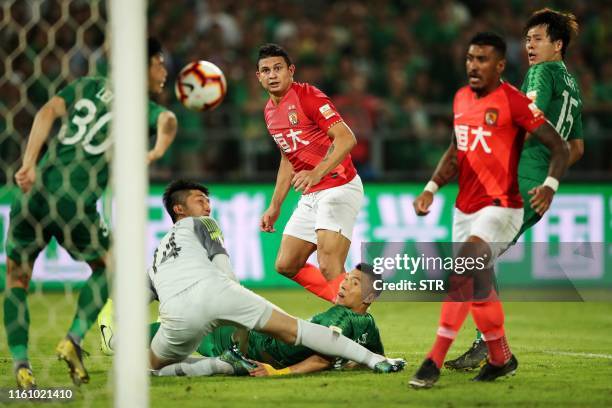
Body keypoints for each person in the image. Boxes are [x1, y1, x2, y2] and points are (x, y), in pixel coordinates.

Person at [4, 37, 177, 390]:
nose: (165, 72)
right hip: (74, 200)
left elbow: (46, 112)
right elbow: (169, 121)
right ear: (142, 64)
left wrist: (28, 164)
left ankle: (21, 364)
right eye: (160, 63)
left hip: (32, 193)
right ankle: (73, 339)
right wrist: (157, 151)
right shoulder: (139, 106)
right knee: (111, 268)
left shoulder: (86, 87)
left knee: (16, 280)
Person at [409, 32, 568, 388]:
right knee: (480, 286)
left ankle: (432, 361)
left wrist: (550, 185)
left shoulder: (515, 102)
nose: (473, 66)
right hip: (465, 208)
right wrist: (431, 188)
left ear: (499, 65)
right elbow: (455, 151)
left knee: (461, 272)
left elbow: (559, 147)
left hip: (502, 207)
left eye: (482, 60)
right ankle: (501, 359)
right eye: (469, 58)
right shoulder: (461, 98)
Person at [143, 180, 404, 376]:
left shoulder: (155, 259)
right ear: (180, 209)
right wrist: (237, 311)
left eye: (208, 200)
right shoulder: (203, 223)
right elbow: (225, 271)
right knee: (298, 331)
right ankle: (373, 361)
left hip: (176, 314)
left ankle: (213, 363)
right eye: (200, 200)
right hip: (217, 293)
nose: (208, 205)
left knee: (149, 367)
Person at [445, 8, 584, 371]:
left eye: (537, 39)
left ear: (558, 44)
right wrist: (549, 180)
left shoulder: (541, 73)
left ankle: (490, 348)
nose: (529, 46)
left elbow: (524, 114)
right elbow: (577, 147)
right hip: (535, 184)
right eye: (527, 39)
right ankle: (491, 347)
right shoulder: (573, 86)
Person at [256, 43, 364, 303]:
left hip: (339, 186)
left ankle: (354, 321)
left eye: (278, 68)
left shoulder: (308, 96)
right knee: (286, 264)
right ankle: (354, 304)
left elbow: (346, 138)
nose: (272, 75)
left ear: (291, 71)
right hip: (312, 194)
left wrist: (317, 172)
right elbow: (287, 157)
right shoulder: (269, 112)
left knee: (328, 264)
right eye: (266, 70)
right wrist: (275, 205)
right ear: (258, 77)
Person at [150, 264, 385, 377]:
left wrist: (277, 373)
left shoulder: (341, 315)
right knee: (179, 332)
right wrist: (351, 361)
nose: (344, 284)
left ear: (370, 296)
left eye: (355, 283)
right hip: (253, 340)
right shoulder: (369, 324)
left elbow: (321, 359)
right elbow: (376, 358)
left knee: (172, 335)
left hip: (253, 343)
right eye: (348, 278)